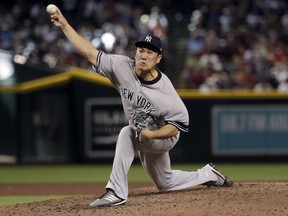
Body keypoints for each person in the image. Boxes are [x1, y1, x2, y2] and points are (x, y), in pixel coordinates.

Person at [49, 7, 233, 208]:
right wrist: (65, 25)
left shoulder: (165, 91)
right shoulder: (121, 67)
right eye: (141, 50)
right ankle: (208, 175)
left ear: (158, 59)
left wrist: (150, 135)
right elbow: (88, 51)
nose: (144, 56)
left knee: (127, 132)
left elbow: (177, 126)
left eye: (150, 52)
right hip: (144, 133)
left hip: (164, 136)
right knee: (165, 183)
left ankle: (116, 192)